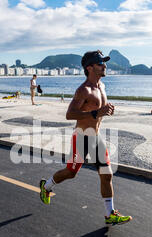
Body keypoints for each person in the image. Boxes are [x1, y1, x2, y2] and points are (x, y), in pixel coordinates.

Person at [39, 50, 133, 226]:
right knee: (71, 173)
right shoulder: (83, 90)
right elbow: (70, 114)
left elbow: (98, 111)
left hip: (95, 138)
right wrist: (97, 112)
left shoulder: (102, 87)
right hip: (81, 138)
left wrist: (107, 110)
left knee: (107, 175)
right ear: (89, 68)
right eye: (100, 63)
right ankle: (46, 187)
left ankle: (110, 214)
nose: (105, 66)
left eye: (104, 63)